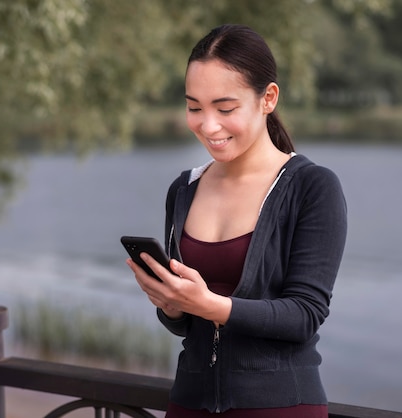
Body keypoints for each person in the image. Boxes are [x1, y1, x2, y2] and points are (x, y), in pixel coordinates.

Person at [126, 24, 347, 417]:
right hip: (189, 401)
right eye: (195, 107)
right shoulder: (184, 189)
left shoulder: (312, 187)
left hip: (278, 405)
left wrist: (212, 305)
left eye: (225, 109)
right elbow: (185, 327)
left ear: (268, 98)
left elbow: (304, 314)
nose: (208, 125)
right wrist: (173, 305)